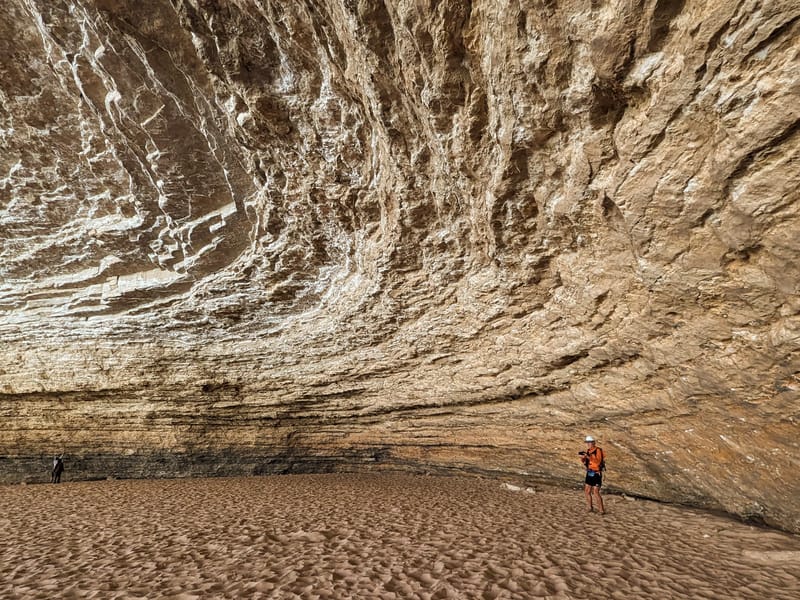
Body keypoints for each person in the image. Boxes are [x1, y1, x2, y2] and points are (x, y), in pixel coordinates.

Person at [580, 436, 605, 514]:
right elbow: (586, 463)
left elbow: (598, 462)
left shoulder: (598, 450)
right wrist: (583, 459)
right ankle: (590, 507)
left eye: (589, 442)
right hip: (589, 472)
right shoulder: (588, 451)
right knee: (587, 491)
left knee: (596, 492)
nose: (588, 444)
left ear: (593, 442)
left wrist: (588, 457)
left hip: (596, 473)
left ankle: (601, 510)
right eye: (587, 442)